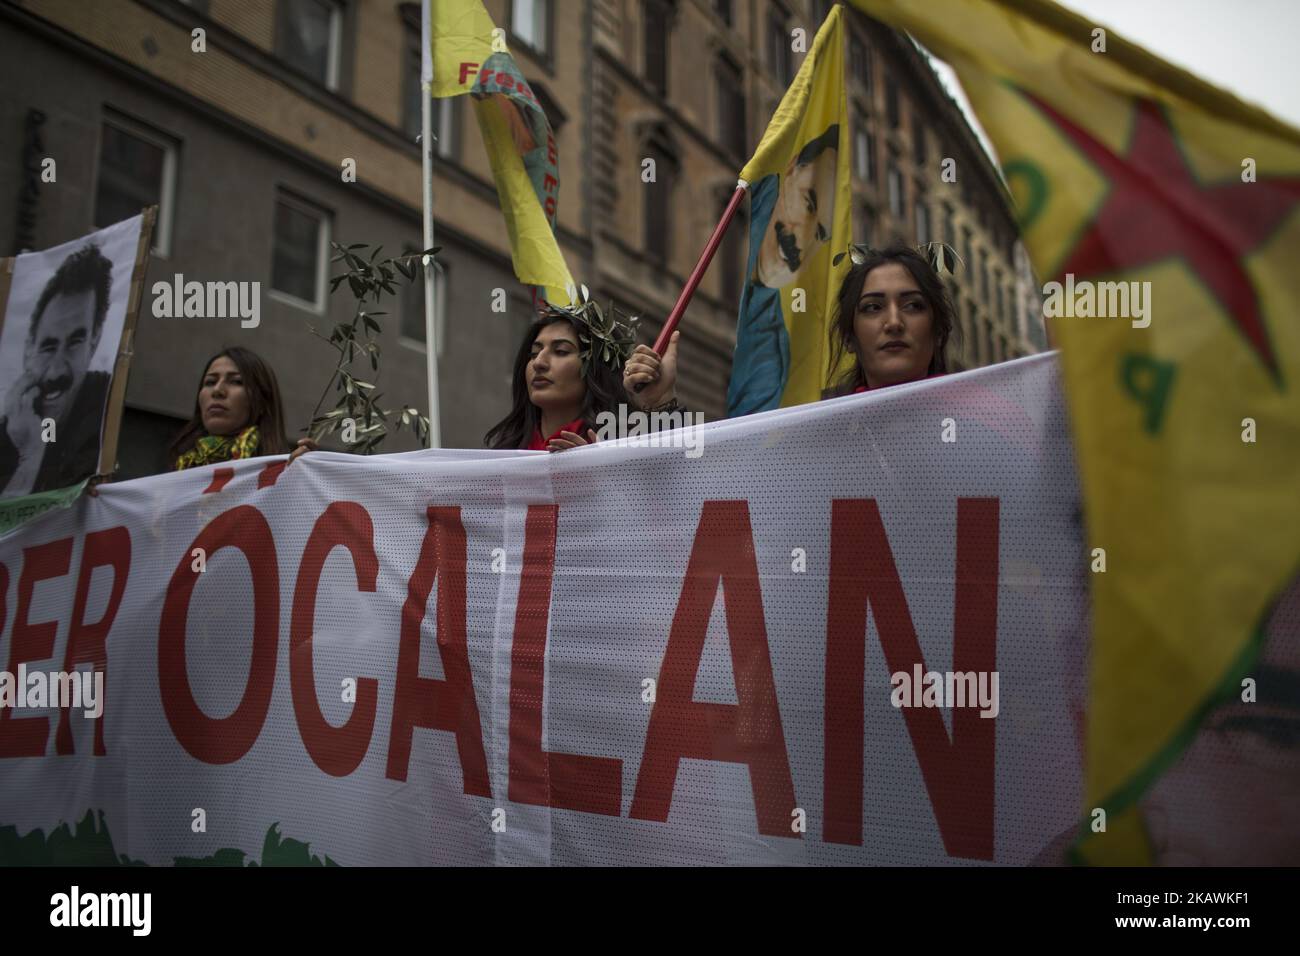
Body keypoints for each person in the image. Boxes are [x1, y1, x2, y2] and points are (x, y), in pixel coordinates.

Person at [728, 124, 840, 416]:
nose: (805, 234)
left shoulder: (774, 365)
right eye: (807, 202)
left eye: (821, 232)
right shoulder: (753, 197)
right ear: (789, 171)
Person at [485, 300, 681, 451]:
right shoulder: (502, 457)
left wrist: (661, 402)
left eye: (561, 351)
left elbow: (682, 483)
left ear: (596, 369)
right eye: (534, 353)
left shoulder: (625, 446)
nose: (539, 363)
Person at [0, 243, 114, 495]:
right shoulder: (9, 429)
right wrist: (31, 454)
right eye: (48, 347)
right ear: (28, 348)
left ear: (93, 342)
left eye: (75, 342)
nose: (56, 371)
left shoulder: (107, 412)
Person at [824, 242, 957, 395]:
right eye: (873, 307)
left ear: (939, 331)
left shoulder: (984, 412)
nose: (894, 322)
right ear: (848, 337)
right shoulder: (820, 418)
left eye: (913, 305)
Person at [167, 346, 291, 470]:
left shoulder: (286, 472)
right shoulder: (177, 471)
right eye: (210, 382)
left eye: (236, 381)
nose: (217, 391)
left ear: (263, 402)